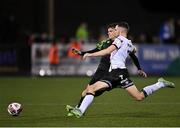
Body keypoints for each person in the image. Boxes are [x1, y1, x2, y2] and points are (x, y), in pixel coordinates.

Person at [67, 22, 175, 118]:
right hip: (122, 73)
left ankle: (80, 110)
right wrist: (139, 67)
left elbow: (107, 51)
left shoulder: (119, 40)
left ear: (120, 30)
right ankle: (160, 84)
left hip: (115, 73)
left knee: (91, 88)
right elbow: (133, 51)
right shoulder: (129, 43)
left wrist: (89, 54)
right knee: (139, 96)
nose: (115, 30)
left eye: (116, 28)